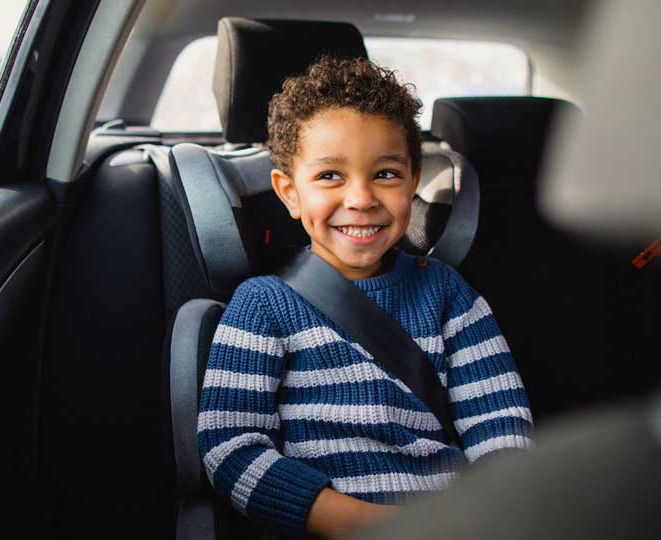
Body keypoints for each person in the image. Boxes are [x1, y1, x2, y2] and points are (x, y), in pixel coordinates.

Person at [196, 55, 533, 540]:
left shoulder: (449, 295)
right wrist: (359, 522)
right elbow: (231, 447)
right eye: (330, 175)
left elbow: (501, 427)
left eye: (386, 174)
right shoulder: (263, 305)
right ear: (289, 193)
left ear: (413, 183)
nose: (361, 198)